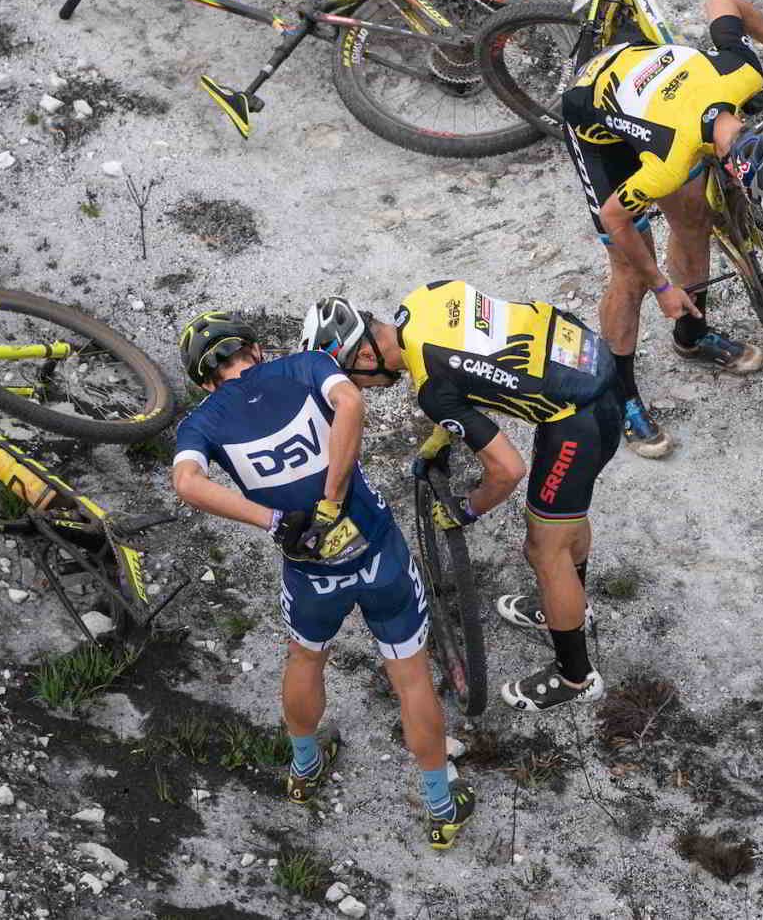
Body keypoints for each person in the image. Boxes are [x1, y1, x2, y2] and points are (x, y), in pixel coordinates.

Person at [167, 310, 475, 849]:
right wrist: (332, 498)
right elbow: (352, 402)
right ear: (255, 350)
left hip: (310, 569)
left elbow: (188, 483)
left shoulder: (201, 423)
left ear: (203, 380)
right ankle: (441, 808)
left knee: (306, 659)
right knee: (410, 677)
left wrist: (275, 522)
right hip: (378, 551)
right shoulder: (305, 365)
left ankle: (304, 771)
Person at [301, 285, 623, 713]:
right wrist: (442, 433)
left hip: (576, 422)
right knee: (565, 522)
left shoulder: (431, 387)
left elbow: (507, 471)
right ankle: (569, 606)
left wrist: (467, 509)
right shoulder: (424, 299)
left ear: (362, 357)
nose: (364, 388)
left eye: (351, 378)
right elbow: (475, 366)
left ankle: (575, 675)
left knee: (545, 549)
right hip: (592, 366)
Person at [560, 0, 763, 459]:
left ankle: (692, 337)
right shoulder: (669, 161)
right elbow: (616, 219)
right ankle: (621, 394)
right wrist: (662, 287)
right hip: (595, 117)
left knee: (695, 219)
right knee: (630, 271)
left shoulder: (744, 73)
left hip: (659, 94)